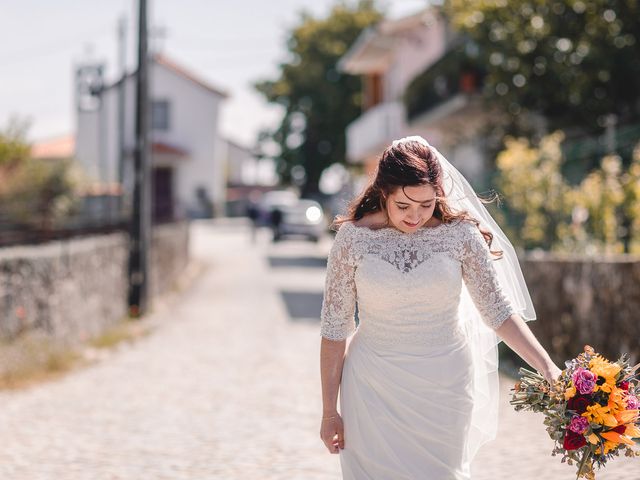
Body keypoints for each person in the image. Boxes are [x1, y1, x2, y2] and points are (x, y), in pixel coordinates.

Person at [318, 136, 562, 479]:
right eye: (404, 206)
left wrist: (547, 366)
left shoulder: (460, 235)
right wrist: (330, 411)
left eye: (426, 205)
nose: (415, 216)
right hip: (372, 386)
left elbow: (498, 312)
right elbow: (333, 329)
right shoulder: (353, 239)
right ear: (384, 192)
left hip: (445, 385)